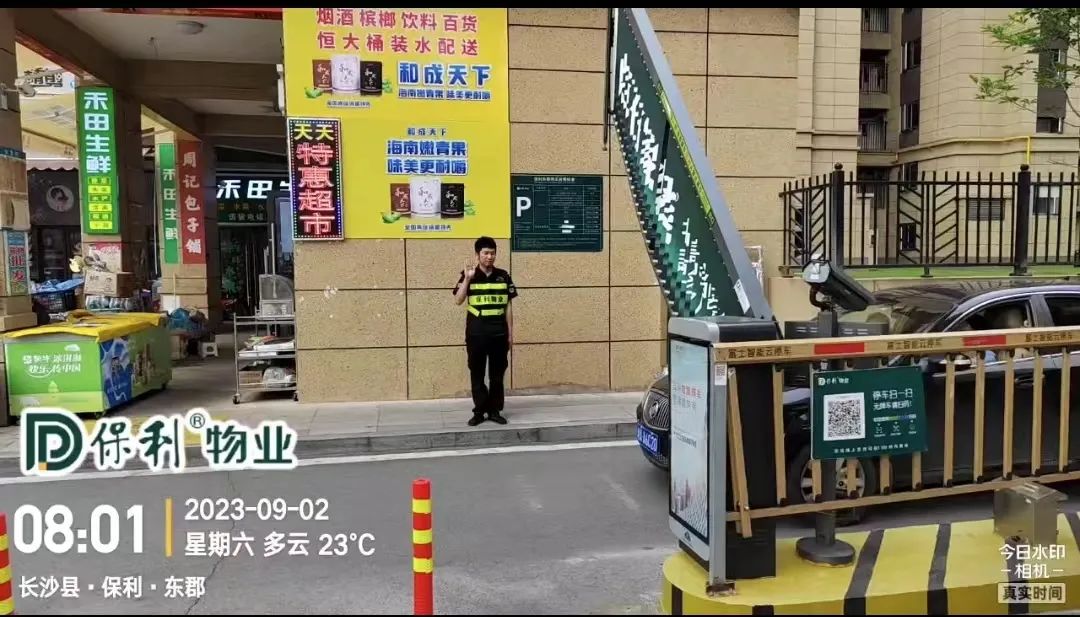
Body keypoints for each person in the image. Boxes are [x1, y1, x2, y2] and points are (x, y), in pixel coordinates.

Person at [453, 236, 517, 426]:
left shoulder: (503, 276)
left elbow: (508, 306)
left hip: (499, 334)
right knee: (477, 374)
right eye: (486, 253)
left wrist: (510, 334)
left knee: (497, 376)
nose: (490, 257)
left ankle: (494, 411)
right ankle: (479, 411)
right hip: (476, 335)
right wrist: (467, 279)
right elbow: (458, 300)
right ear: (477, 255)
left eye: (492, 253)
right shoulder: (468, 274)